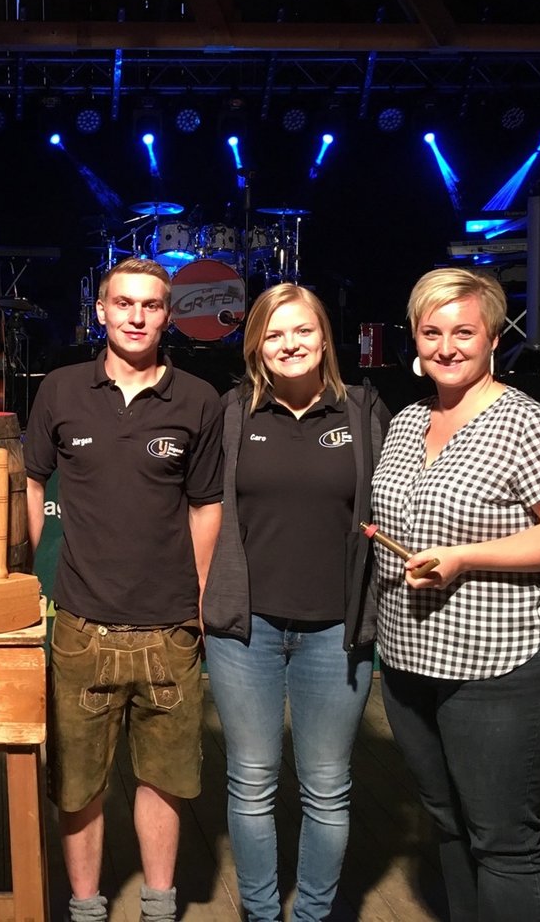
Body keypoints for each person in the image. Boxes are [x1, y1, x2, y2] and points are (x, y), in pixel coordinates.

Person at [370, 268, 540, 922]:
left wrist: (465, 557)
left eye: (463, 332)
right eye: (431, 332)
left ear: (493, 337)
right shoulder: (407, 421)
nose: (446, 347)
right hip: (410, 661)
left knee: (503, 842)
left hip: (502, 662)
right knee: (447, 823)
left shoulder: (530, 424)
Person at [24, 257, 223, 922]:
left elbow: (206, 505)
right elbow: (31, 480)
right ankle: (85, 906)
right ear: (101, 311)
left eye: (151, 305)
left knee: (164, 781)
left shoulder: (198, 399)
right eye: (124, 303)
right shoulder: (60, 389)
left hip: (169, 630)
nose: (136, 317)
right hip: (81, 628)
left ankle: (159, 906)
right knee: (77, 785)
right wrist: (19, 574)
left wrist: (199, 600)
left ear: (168, 316)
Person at [201, 283, 390, 922]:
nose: (289, 344)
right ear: (256, 345)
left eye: (303, 330)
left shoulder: (364, 411)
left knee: (327, 789)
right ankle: (260, 914)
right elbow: (201, 511)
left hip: (337, 633)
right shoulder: (232, 413)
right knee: (251, 783)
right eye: (274, 334)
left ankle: (311, 915)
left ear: (324, 337)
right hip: (244, 631)